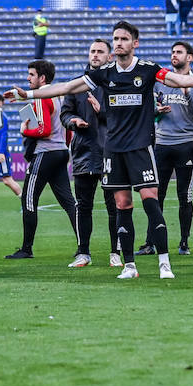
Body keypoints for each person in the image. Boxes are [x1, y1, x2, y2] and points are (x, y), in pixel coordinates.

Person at [4, 21, 193, 280]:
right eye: (116, 38)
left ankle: (164, 262)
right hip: (112, 150)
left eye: (124, 38)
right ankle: (129, 266)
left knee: (151, 202)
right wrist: (30, 95)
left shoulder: (147, 70)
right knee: (122, 204)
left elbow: (177, 78)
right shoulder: (104, 73)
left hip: (140, 148)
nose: (119, 42)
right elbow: (68, 87)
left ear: (135, 43)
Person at [137, 41, 193, 257]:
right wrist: (157, 110)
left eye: (179, 52)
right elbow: (148, 112)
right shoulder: (161, 82)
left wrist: (187, 94)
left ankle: (184, 242)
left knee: (184, 196)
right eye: (173, 52)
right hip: (162, 144)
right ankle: (151, 242)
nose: (174, 55)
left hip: (186, 144)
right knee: (155, 195)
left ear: (190, 57)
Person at [6, 59, 80, 261]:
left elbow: (43, 130)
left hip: (45, 153)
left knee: (28, 198)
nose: (28, 78)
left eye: (31, 75)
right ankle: (83, 245)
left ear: (42, 78)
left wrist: (24, 130)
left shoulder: (41, 98)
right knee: (68, 202)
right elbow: (66, 133)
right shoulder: (58, 96)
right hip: (61, 151)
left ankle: (26, 249)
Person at [62, 39, 120, 268]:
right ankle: (82, 252)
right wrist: (73, 121)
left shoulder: (117, 83)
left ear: (110, 57)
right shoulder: (77, 84)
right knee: (83, 206)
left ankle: (116, 252)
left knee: (114, 206)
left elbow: (126, 116)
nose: (95, 55)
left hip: (110, 151)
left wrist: (102, 111)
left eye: (100, 52)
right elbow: (65, 114)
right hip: (84, 152)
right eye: (92, 51)